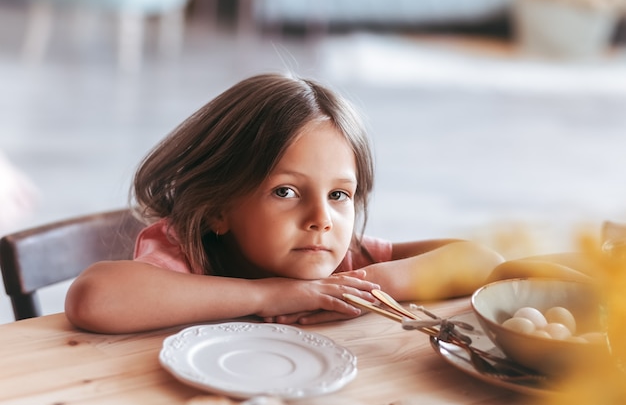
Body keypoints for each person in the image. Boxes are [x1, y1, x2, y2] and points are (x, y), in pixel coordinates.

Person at [65, 73, 505, 334]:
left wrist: (364, 286)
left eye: (338, 195)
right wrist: (271, 294)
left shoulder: (341, 259)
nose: (320, 219)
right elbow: (94, 298)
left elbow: (484, 261)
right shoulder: (185, 254)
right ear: (219, 208)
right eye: (285, 192)